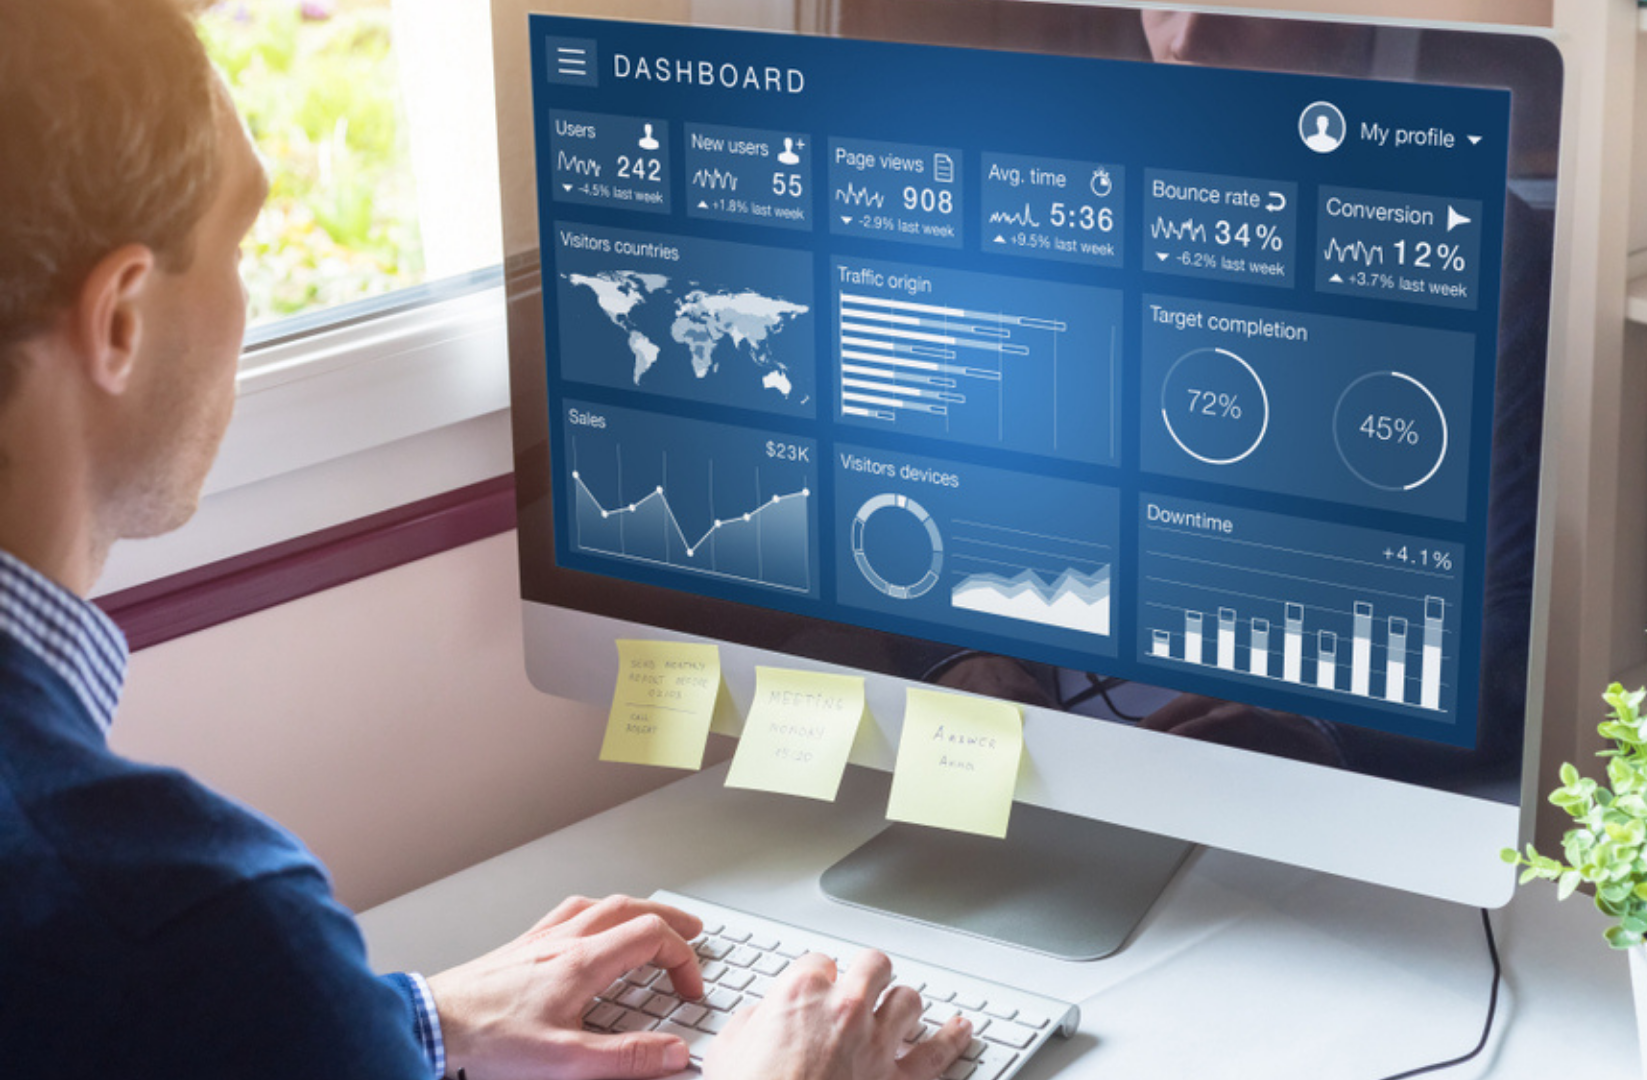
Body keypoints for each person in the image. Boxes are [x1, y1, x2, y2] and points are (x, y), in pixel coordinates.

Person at [0, 2, 972, 1077]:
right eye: (238, 246)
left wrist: (396, 1023)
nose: (247, 300)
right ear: (122, 319)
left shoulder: (180, 957)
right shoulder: (184, 928)